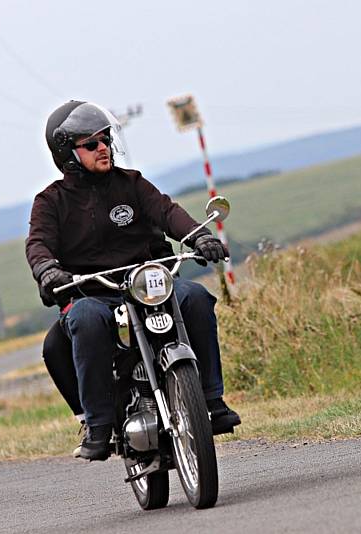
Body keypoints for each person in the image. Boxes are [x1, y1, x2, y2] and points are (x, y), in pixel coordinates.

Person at [26, 100, 241, 461]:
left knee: (197, 298)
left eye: (105, 139)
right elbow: (38, 243)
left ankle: (212, 400)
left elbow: (168, 212)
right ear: (67, 152)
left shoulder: (133, 184)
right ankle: (98, 425)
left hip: (148, 284)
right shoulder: (51, 202)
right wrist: (47, 269)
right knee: (85, 320)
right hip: (95, 294)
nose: (103, 148)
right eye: (91, 143)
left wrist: (197, 236)